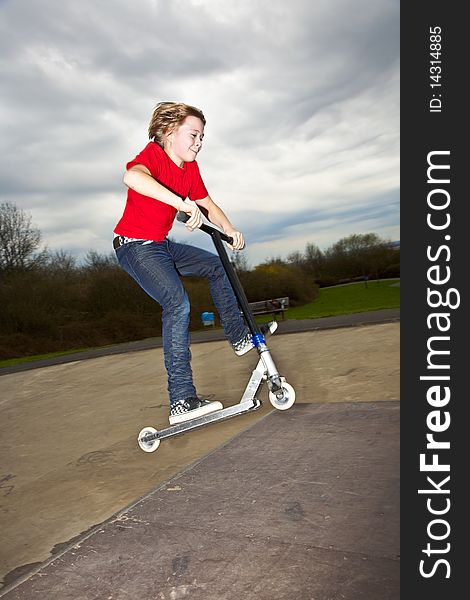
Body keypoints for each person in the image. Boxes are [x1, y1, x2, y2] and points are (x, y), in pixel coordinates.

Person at [113, 102, 276, 425]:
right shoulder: (154, 155)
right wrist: (180, 204)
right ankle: (181, 400)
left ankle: (239, 336)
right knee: (178, 304)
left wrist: (229, 229)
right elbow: (132, 177)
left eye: (202, 137)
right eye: (193, 135)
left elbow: (209, 205)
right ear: (168, 132)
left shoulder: (191, 171)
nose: (199, 143)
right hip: (135, 247)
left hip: (161, 246)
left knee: (218, 265)